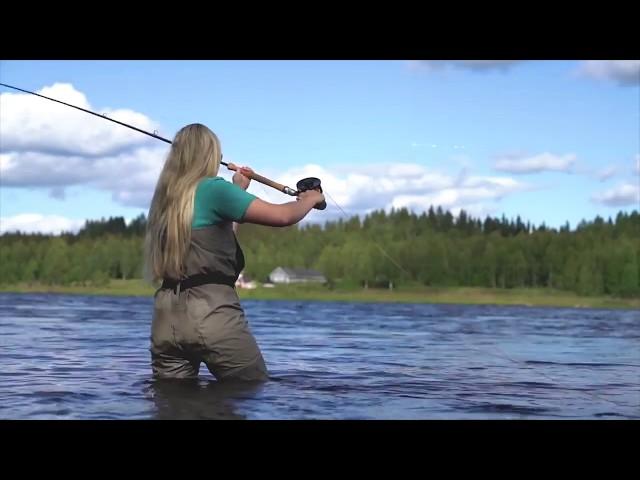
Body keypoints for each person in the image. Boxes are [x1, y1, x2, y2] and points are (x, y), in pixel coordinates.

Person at [144, 123, 324, 381]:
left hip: (165, 318)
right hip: (212, 312)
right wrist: (310, 199)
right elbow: (284, 216)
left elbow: (217, 238)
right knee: (251, 389)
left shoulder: (166, 199)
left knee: (173, 405)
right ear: (210, 154)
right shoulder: (215, 188)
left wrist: (238, 190)